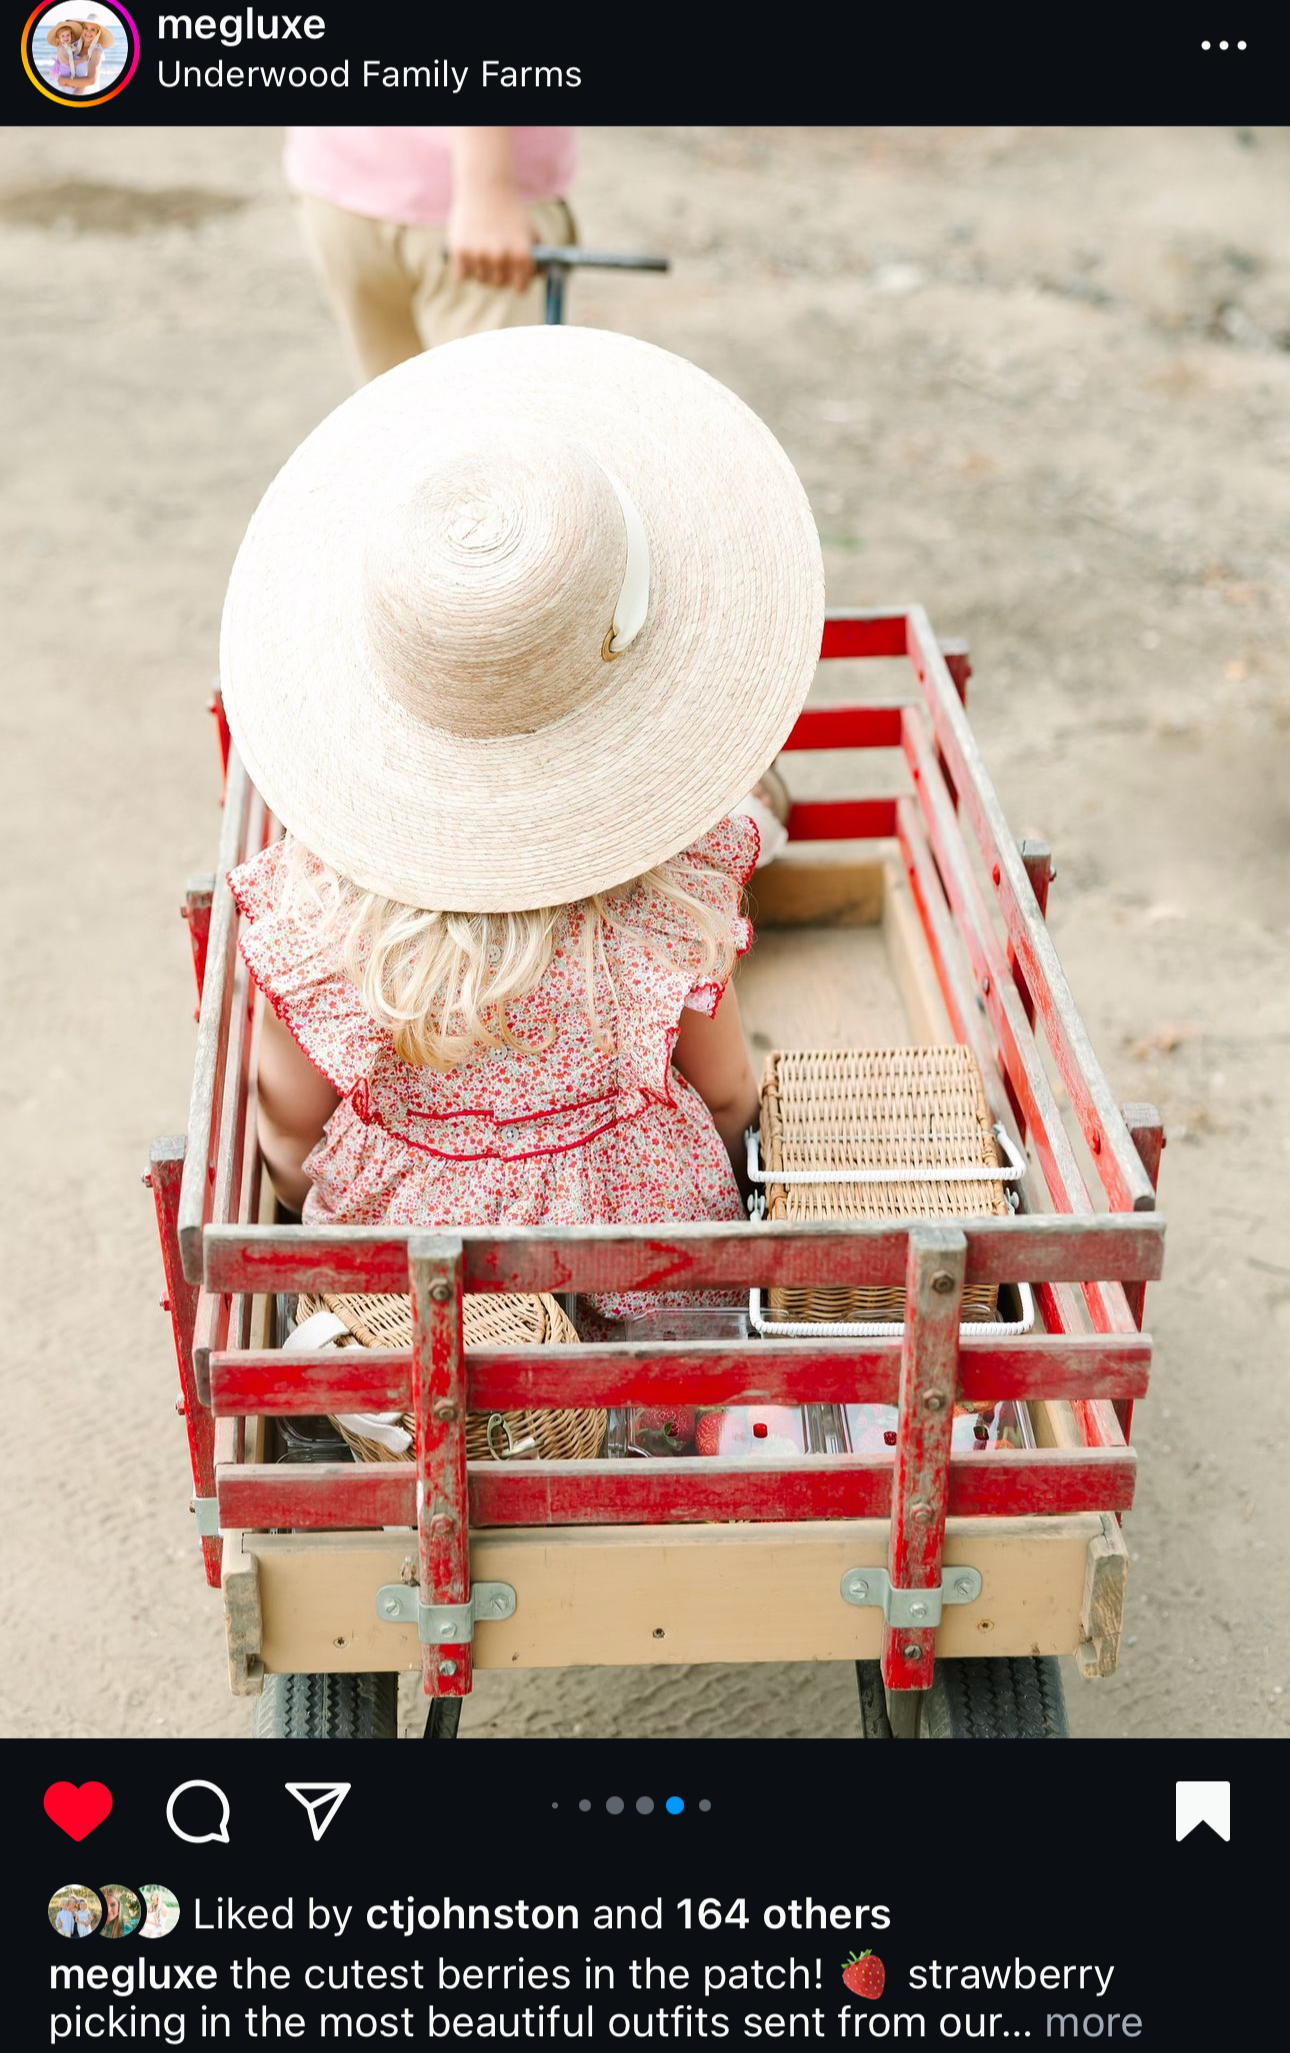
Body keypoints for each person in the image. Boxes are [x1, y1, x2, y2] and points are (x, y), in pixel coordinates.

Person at [220, 326, 824, 1323]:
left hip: (415, 1273)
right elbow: (724, 1096)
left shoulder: (325, 913)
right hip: (630, 1258)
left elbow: (286, 1126)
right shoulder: (663, 900)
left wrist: (339, 1200)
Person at [283, 127, 577, 382]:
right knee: (488, 428)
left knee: (396, 423)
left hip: (338, 173)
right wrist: (487, 186)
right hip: (470, 215)